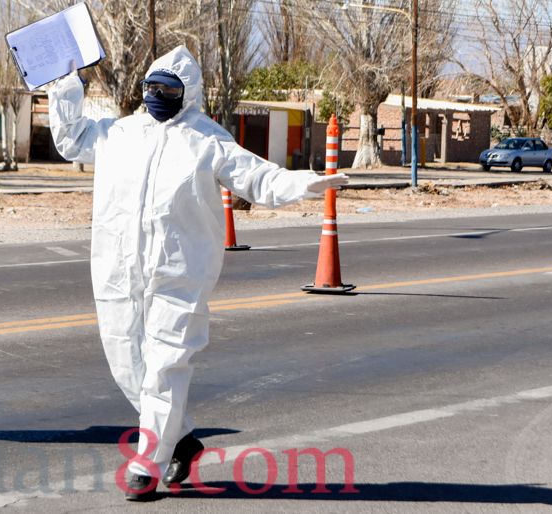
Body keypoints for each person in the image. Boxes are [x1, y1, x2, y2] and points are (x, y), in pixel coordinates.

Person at [47, 45, 348, 500]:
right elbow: (70, 139)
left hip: (178, 275)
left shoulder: (207, 141)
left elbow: (258, 178)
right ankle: (182, 441)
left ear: (187, 93)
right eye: (151, 86)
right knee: (127, 363)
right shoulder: (118, 133)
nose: (156, 94)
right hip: (117, 271)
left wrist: (304, 184)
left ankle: (148, 462)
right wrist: (65, 84)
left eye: (167, 87)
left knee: (165, 367)